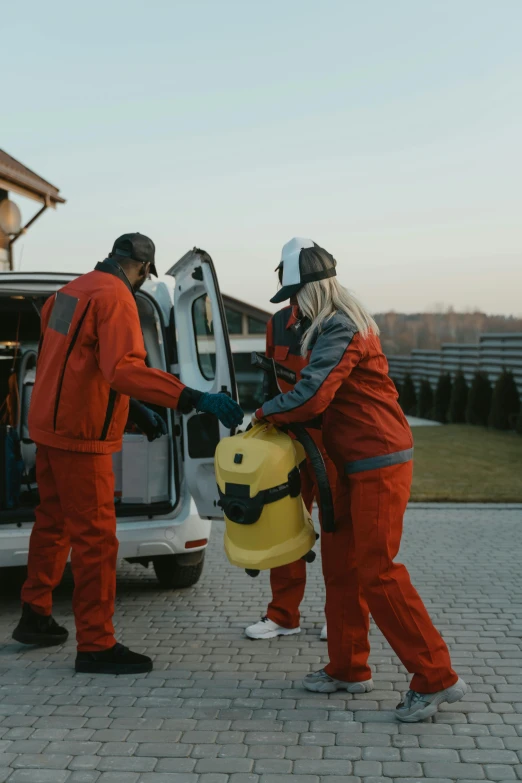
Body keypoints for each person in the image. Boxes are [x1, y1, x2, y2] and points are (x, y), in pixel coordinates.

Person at [252, 237, 466, 723]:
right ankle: (348, 668)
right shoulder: (325, 325)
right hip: (346, 463)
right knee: (341, 565)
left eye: (291, 297)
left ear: (310, 290)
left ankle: (436, 678)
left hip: (378, 461)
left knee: (378, 571)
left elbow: (311, 396)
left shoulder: (341, 327)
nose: (289, 308)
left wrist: (264, 412)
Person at [12, 233, 243, 675]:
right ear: (140, 268)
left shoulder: (68, 292)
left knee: (52, 522)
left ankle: (35, 615)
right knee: (97, 540)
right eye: (143, 276)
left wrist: (131, 406)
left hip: (48, 428)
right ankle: (96, 644)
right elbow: (123, 368)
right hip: (81, 438)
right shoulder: (117, 297)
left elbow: (74, 360)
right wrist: (190, 397)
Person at [245, 299, 337, 641]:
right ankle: (283, 616)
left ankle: (340, 615)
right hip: (287, 444)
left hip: (331, 443)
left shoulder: (338, 321)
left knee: (336, 532)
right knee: (283, 527)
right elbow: (271, 378)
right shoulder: (279, 321)